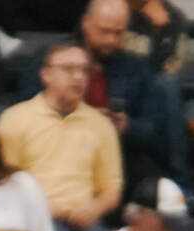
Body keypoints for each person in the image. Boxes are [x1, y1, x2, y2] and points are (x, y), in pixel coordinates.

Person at [0, 40, 119, 231]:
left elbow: (112, 187)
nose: (78, 77)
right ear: (46, 75)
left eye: (84, 70)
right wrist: (43, 206)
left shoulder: (101, 124)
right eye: (69, 69)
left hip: (86, 216)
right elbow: (4, 180)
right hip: (36, 214)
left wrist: (96, 207)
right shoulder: (15, 119)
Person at [77, 0, 185, 187]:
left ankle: (178, 185)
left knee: (155, 185)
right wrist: (81, 120)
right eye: (104, 31)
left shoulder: (136, 68)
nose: (111, 40)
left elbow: (154, 130)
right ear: (86, 24)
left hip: (121, 158)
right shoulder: (57, 62)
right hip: (66, 154)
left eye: (118, 33)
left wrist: (127, 126)